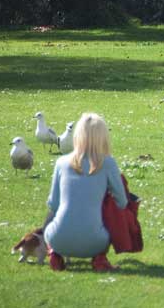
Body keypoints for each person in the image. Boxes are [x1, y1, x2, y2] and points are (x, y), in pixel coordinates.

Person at [43, 113, 128, 271]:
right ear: (103, 137)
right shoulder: (108, 163)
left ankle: (55, 255)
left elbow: (53, 205)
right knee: (108, 215)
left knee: (51, 221)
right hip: (96, 242)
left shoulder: (61, 162)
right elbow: (122, 202)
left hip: (58, 239)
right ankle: (99, 258)